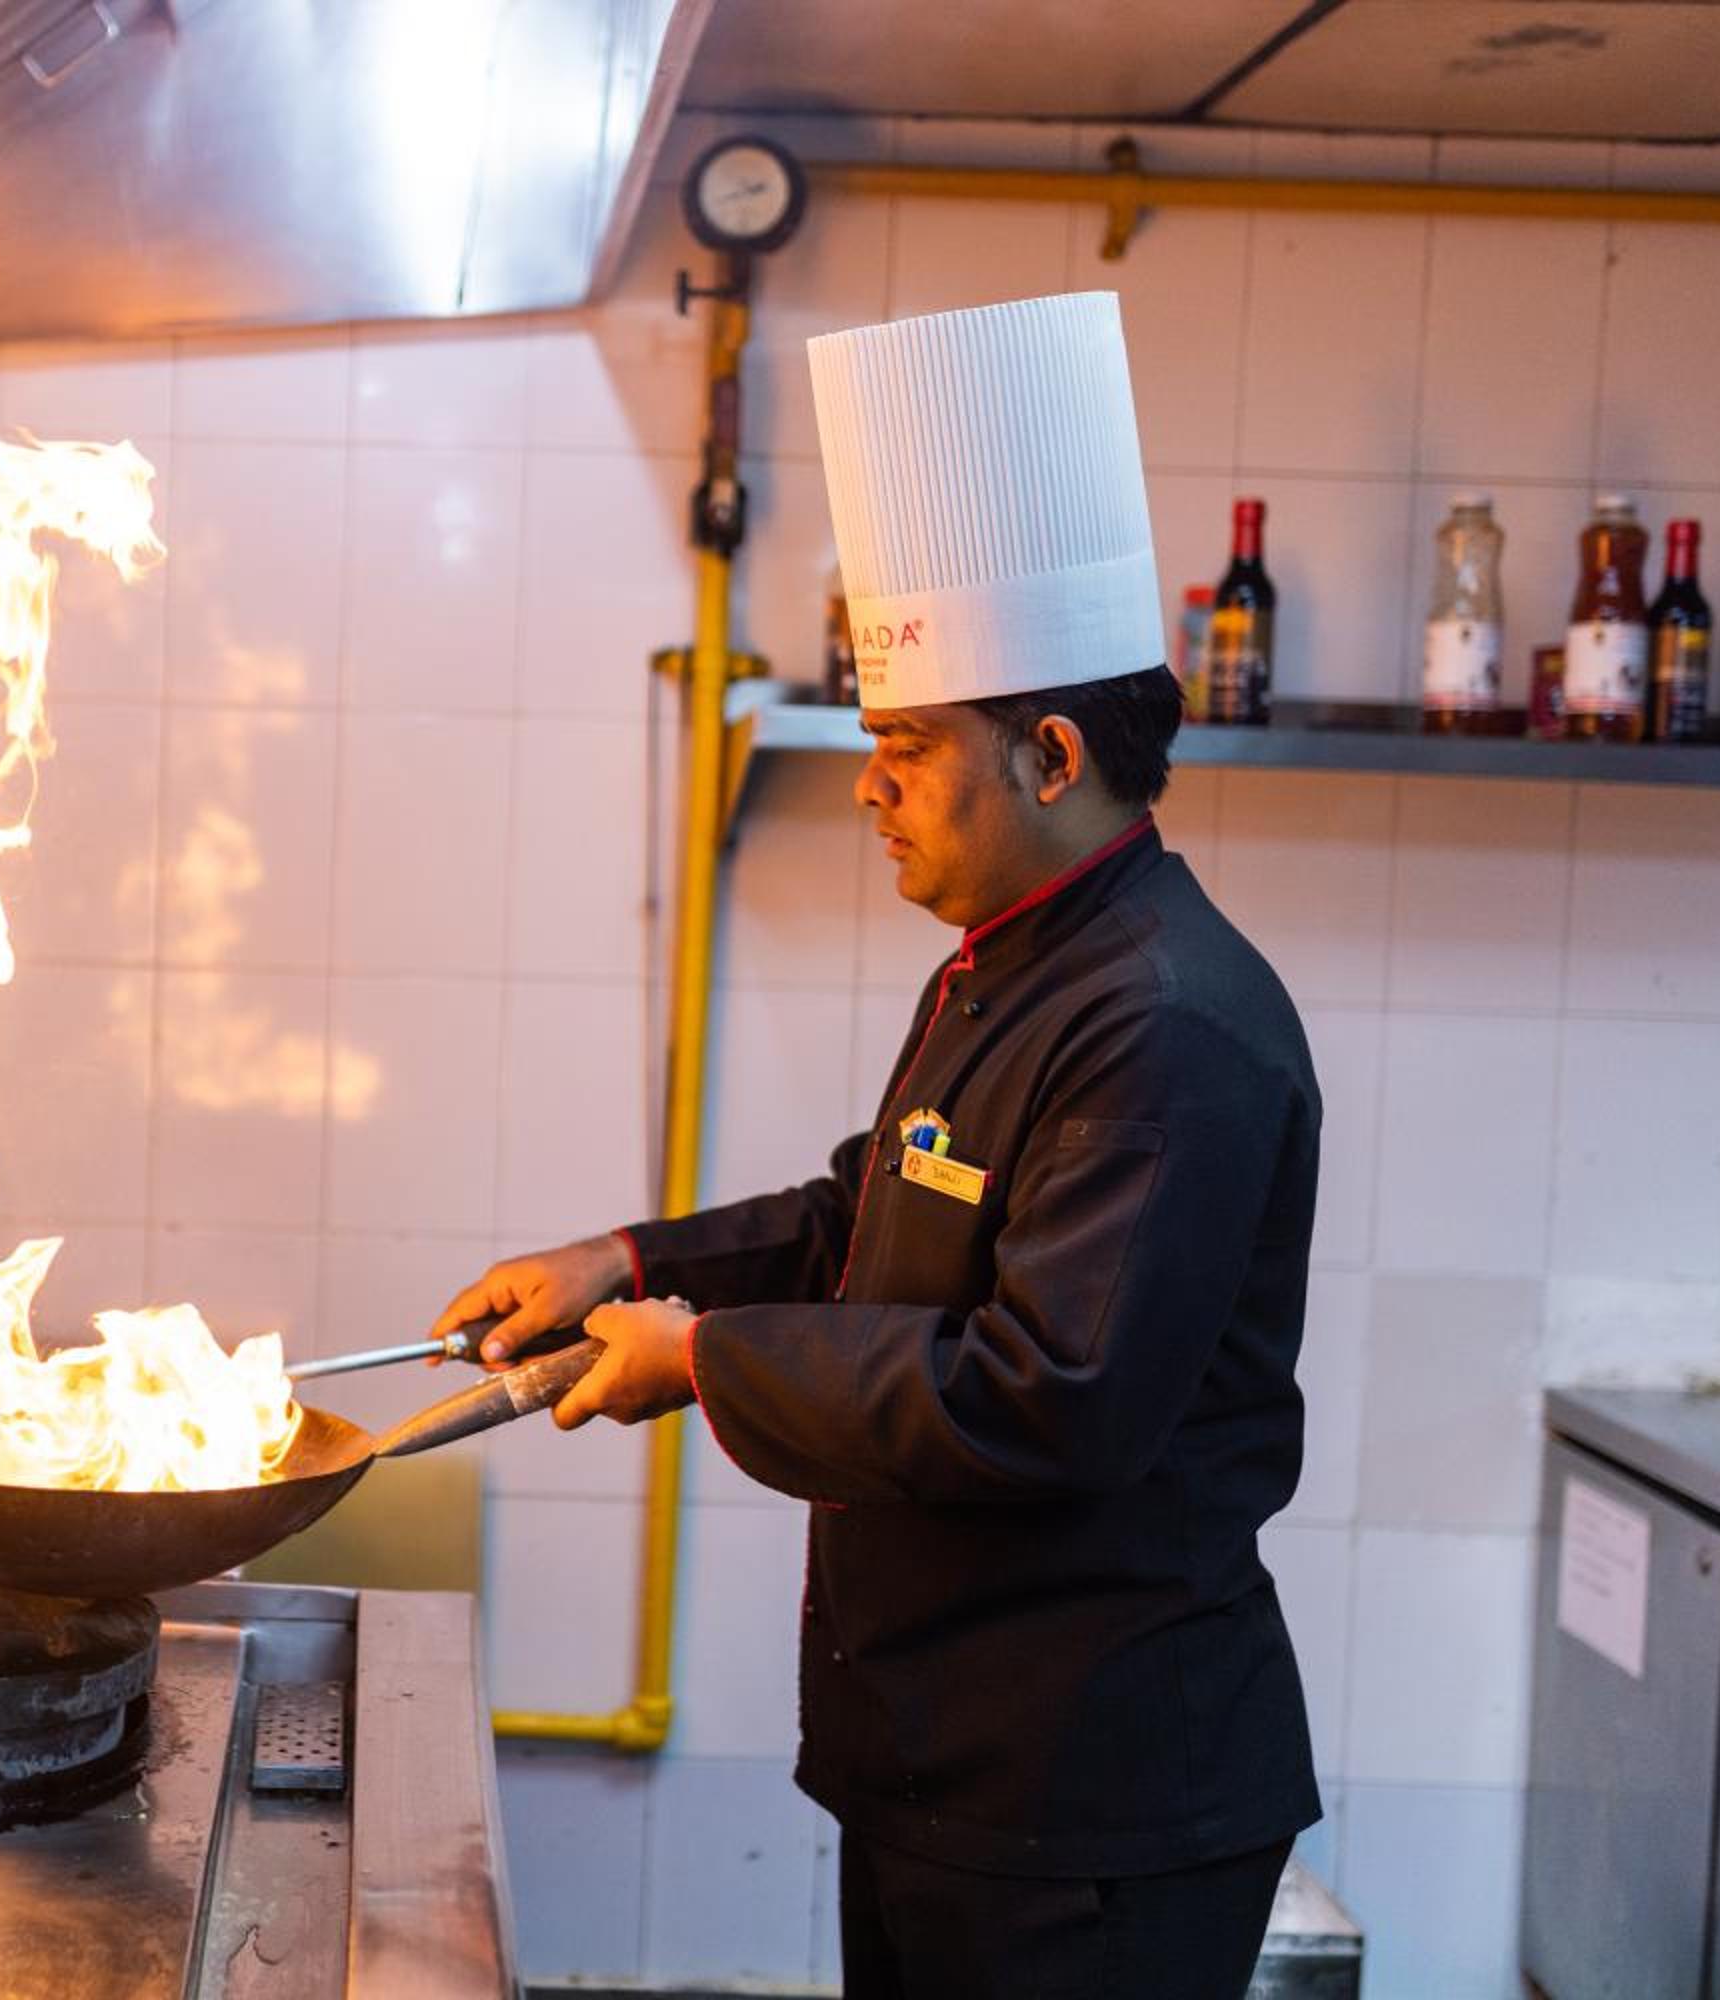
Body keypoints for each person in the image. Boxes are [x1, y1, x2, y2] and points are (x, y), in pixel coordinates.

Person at [435, 293, 1321, 1999]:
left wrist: (701, 1358)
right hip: (953, 1758)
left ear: (1050, 756)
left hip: (1089, 1799)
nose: (869, 787)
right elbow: (876, 1210)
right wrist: (624, 1266)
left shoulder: (1166, 1022)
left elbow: (1046, 1394)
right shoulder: (1016, 963)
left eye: (906, 748)